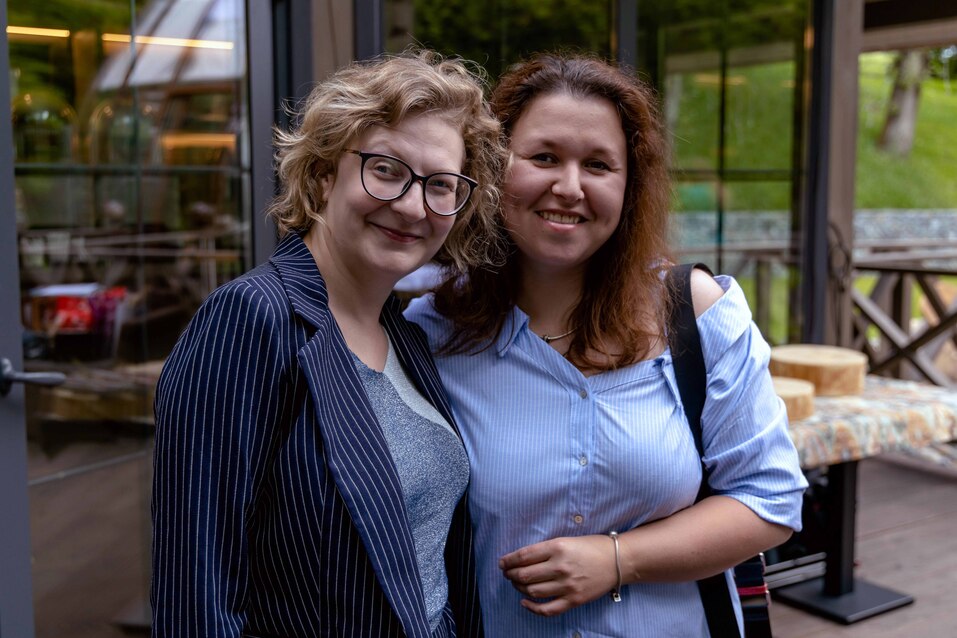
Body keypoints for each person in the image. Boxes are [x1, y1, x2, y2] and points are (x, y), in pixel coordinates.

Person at [405, 53, 808, 637]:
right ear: (492, 166)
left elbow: (770, 499)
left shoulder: (696, 313)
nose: (569, 187)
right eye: (544, 157)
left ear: (629, 185)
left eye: (598, 164)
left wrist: (621, 559)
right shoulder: (433, 332)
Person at [152, 50, 506, 638]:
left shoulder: (407, 336)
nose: (412, 205)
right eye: (386, 169)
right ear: (323, 174)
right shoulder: (253, 318)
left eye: (440, 185)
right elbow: (197, 590)